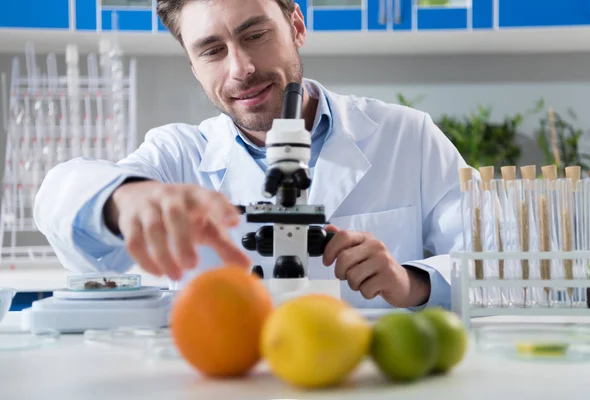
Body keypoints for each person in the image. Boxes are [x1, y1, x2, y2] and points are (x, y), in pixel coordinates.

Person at [34, 0, 471, 310]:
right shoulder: (178, 156)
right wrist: (124, 198)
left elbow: (489, 261)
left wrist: (412, 282)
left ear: (296, 26)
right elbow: (61, 196)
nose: (240, 68)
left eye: (256, 35)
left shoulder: (406, 136)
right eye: (211, 50)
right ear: (193, 65)